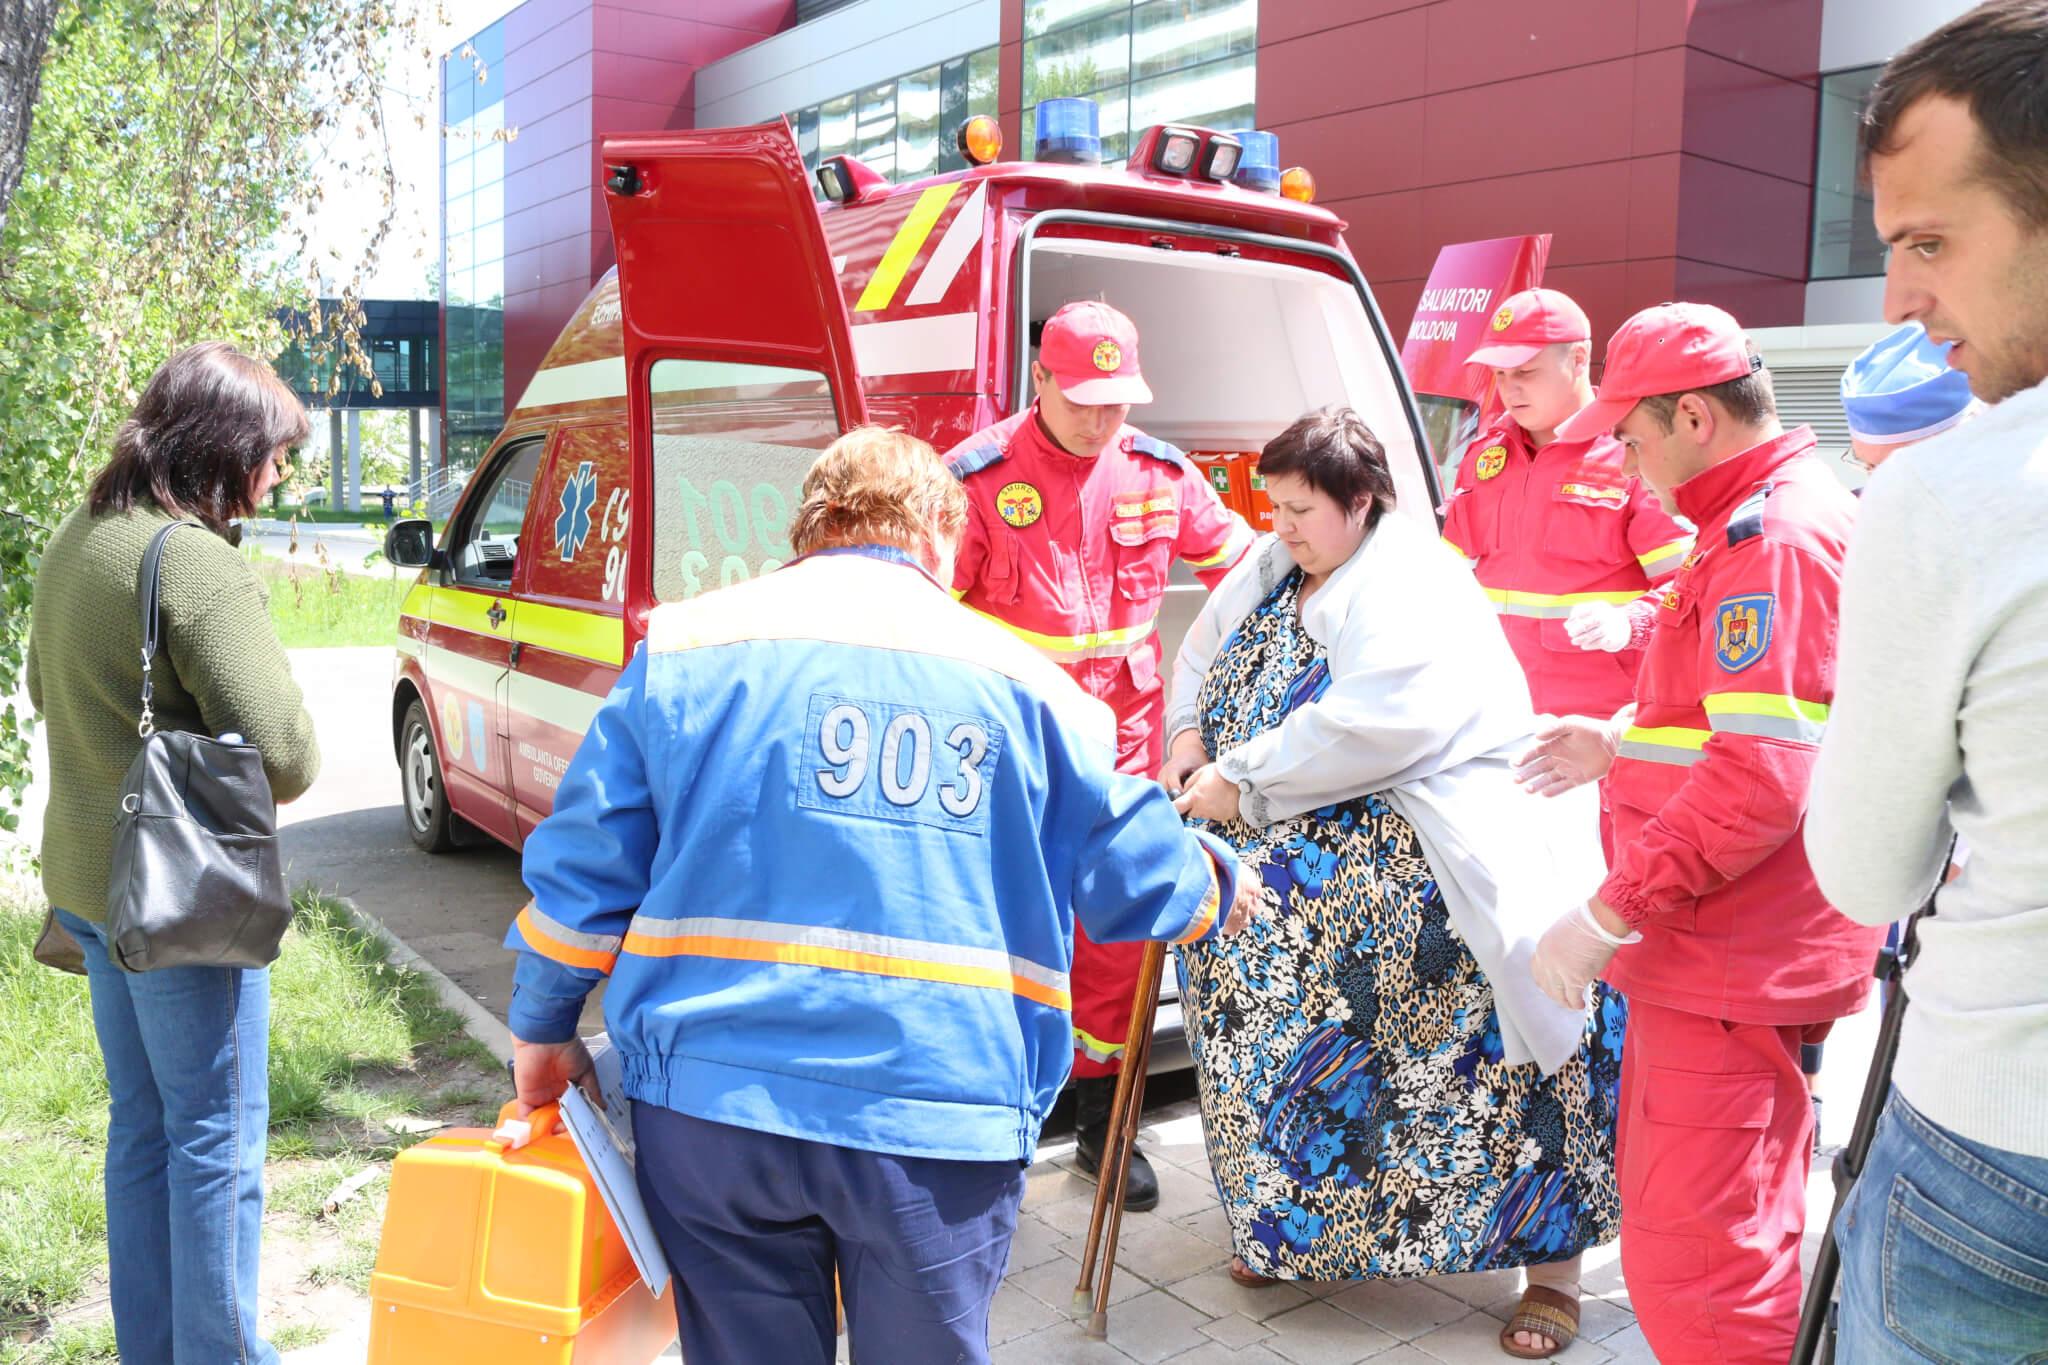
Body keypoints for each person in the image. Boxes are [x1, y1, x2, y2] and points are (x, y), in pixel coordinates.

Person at [502, 427, 1257, 1365]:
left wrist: (540, 1029)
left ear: (808, 528)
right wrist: (1216, 882)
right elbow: (1131, 866)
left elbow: (584, 867)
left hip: (713, 1110)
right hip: (936, 1114)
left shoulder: (688, 648)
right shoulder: (1035, 688)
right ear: (944, 535)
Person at [1165, 406, 1620, 1361]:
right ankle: (1300, 1222)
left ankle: (1551, 1269)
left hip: (1432, 850)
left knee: (1495, 1038)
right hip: (1279, 831)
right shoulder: (1273, 561)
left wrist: (1241, 782)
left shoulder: (1413, 583)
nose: (1280, 524)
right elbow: (1200, 650)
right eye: (1275, 504)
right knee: (1252, 989)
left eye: (1299, 508)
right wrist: (1188, 741)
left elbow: (1378, 723)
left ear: (1361, 502)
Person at [1514, 302, 1885, 1363]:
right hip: (1724, 947)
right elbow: (1730, 726)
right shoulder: (1754, 521)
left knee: (1699, 1260)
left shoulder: (1769, 538)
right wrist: (1619, 743)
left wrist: (1602, 915)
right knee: (1723, 1228)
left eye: (1629, 441)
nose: (1625, 469)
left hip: (1726, 950)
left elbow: (1760, 779)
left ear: (1691, 416)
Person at [1808, 4, 2048, 1356]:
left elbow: (1864, 873)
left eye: (1931, 243)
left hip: (2001, 1158)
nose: (1902, 298)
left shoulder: (1953, 498)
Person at [24, 341, 322, 1364]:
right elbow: (287, 757)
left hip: (95, 892)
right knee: (214, 1145)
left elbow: (42, 691)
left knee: (145, 1129)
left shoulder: (80, 536)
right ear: (225, 451)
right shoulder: (191, 559)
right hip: (182, 899)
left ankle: (154, 1350)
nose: (276, 477)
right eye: (273, 458)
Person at [944, 299, 1255, 1210]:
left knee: (1115, 944)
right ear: (1037, 379)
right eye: (1082, 399)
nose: (1101, 418)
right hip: (1012, 756)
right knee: (1009, 942)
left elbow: (1247, 566)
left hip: (1122, 756)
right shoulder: (975, 478)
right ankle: (995, 1133)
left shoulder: (1160, 472)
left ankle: (1103, 1133)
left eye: (1117, 401)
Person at [1445, 288, 1693, 741]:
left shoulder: (1630, 453)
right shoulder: (1485, 456)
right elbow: (1447, 576)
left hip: (1598, 721)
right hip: (1492, 710)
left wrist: (1628, 622)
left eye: (1525, 372)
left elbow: (1690, 586)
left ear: (1579, 359)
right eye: (1500, 374)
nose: (1509, 390)